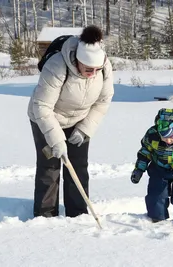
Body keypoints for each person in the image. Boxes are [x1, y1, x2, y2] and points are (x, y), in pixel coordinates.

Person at [27, 25, 114, 218]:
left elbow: (103, 102)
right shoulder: (57, 66)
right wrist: (57, 140)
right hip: (46, 118)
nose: (92, 73)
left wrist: (84, 129)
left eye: (96, 69)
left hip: (79, 120)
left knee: (78, 166)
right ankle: (45, 214)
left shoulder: (104, 67)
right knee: (50, 166)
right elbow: (41, 106)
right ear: (77, 61)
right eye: (88, 69)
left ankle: (78, 213)